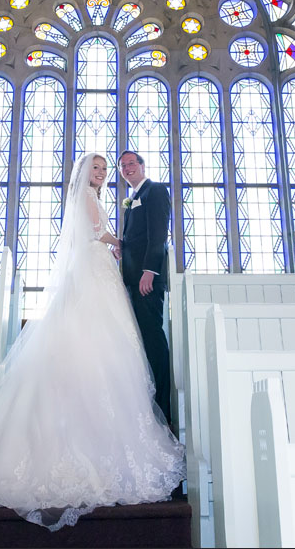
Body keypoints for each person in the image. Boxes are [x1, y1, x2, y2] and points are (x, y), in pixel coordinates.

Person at [0, 153, 186, 531]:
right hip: (93, 270)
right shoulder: (88, 199)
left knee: (112, 343)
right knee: (93, 337)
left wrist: (120, 248)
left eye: (108, 169)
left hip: (103, 269)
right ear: (86, 173)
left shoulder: (127, 195)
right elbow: (91, 233)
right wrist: (116, 240)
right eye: (99, 168)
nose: (104, 173)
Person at [116, 150, 174, 425]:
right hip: (131, 280)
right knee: (140, 344)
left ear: (141, 165)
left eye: (131, 163)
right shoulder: (132, 199)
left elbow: (159, 234)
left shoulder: (155, 191)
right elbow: (136, 238)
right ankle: (148, 409)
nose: (127, 168)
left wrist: (149, 271)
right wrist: (121, 248)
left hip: (146, 281)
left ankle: (164, 413)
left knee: (153, 342)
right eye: (122, 165)